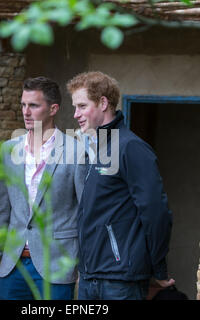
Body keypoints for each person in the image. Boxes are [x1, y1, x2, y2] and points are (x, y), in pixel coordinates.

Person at [67, 71, 175, 300]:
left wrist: (158, 268)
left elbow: (156, 212)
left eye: (82, 106)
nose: (76, 114)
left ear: (103, 102)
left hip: (120, 282)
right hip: (89, 278)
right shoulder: (97, 149)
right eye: (75, 107)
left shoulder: (131, 147)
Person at [0, 77, 86, 300]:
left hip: (57, 265)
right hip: (13, 265)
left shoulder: (76, 151)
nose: (26, 112)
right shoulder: (9, 150)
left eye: (33, 105)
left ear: (53, 109)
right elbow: (1, 211)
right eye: (23, 105)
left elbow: (85, 213)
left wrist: (83, 265)